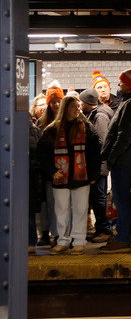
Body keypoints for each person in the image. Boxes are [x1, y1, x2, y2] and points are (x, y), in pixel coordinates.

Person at [38, 95, 101, 255]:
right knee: (61, 210)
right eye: (74, 106)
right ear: (66, 108)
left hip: (82, 177)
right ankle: (62, 241)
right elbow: (42, 154)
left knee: (81, 209)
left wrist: (93, 174)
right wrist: (52, 171)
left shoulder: (87, 127)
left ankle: (79, 241)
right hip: (60, 177)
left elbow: (95, 152)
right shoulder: (51, 130)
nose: (78, 109)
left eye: (79, 106)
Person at [100, 68, 131, 253]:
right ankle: (121, 237)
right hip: (127, 159)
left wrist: (111, 157)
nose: (119, 87)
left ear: (127, 85)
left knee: (121, 200)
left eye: (121, 83)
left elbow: (125, 135)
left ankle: (122, 238)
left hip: (124, 160)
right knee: (123, 199)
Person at [79, 88, 115, 243]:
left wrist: (96, 162)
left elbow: (101, 141)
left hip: (99, 165)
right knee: (96, 197)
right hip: (97, 164)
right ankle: (101, 227)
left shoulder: (99, 117)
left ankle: (105, 229)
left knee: (98, 197)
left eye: (81, 101)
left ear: (87, 102)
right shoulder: (95, 114)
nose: (80, 104)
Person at [36, 80, 64, 247]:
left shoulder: (66, 121)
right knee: (46, 203)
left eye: (59, 100)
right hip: (47, 169)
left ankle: (56, 234)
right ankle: (46, 234)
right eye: (53, 101)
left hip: (61, 168)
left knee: (56, 204)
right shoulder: (42, 123)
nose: (56, 104)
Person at [28, 114, 43, 254]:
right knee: (30, 212)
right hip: (33, 176)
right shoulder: (35, 131)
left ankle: (30, 241)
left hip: (29, 176)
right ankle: (30, 242)